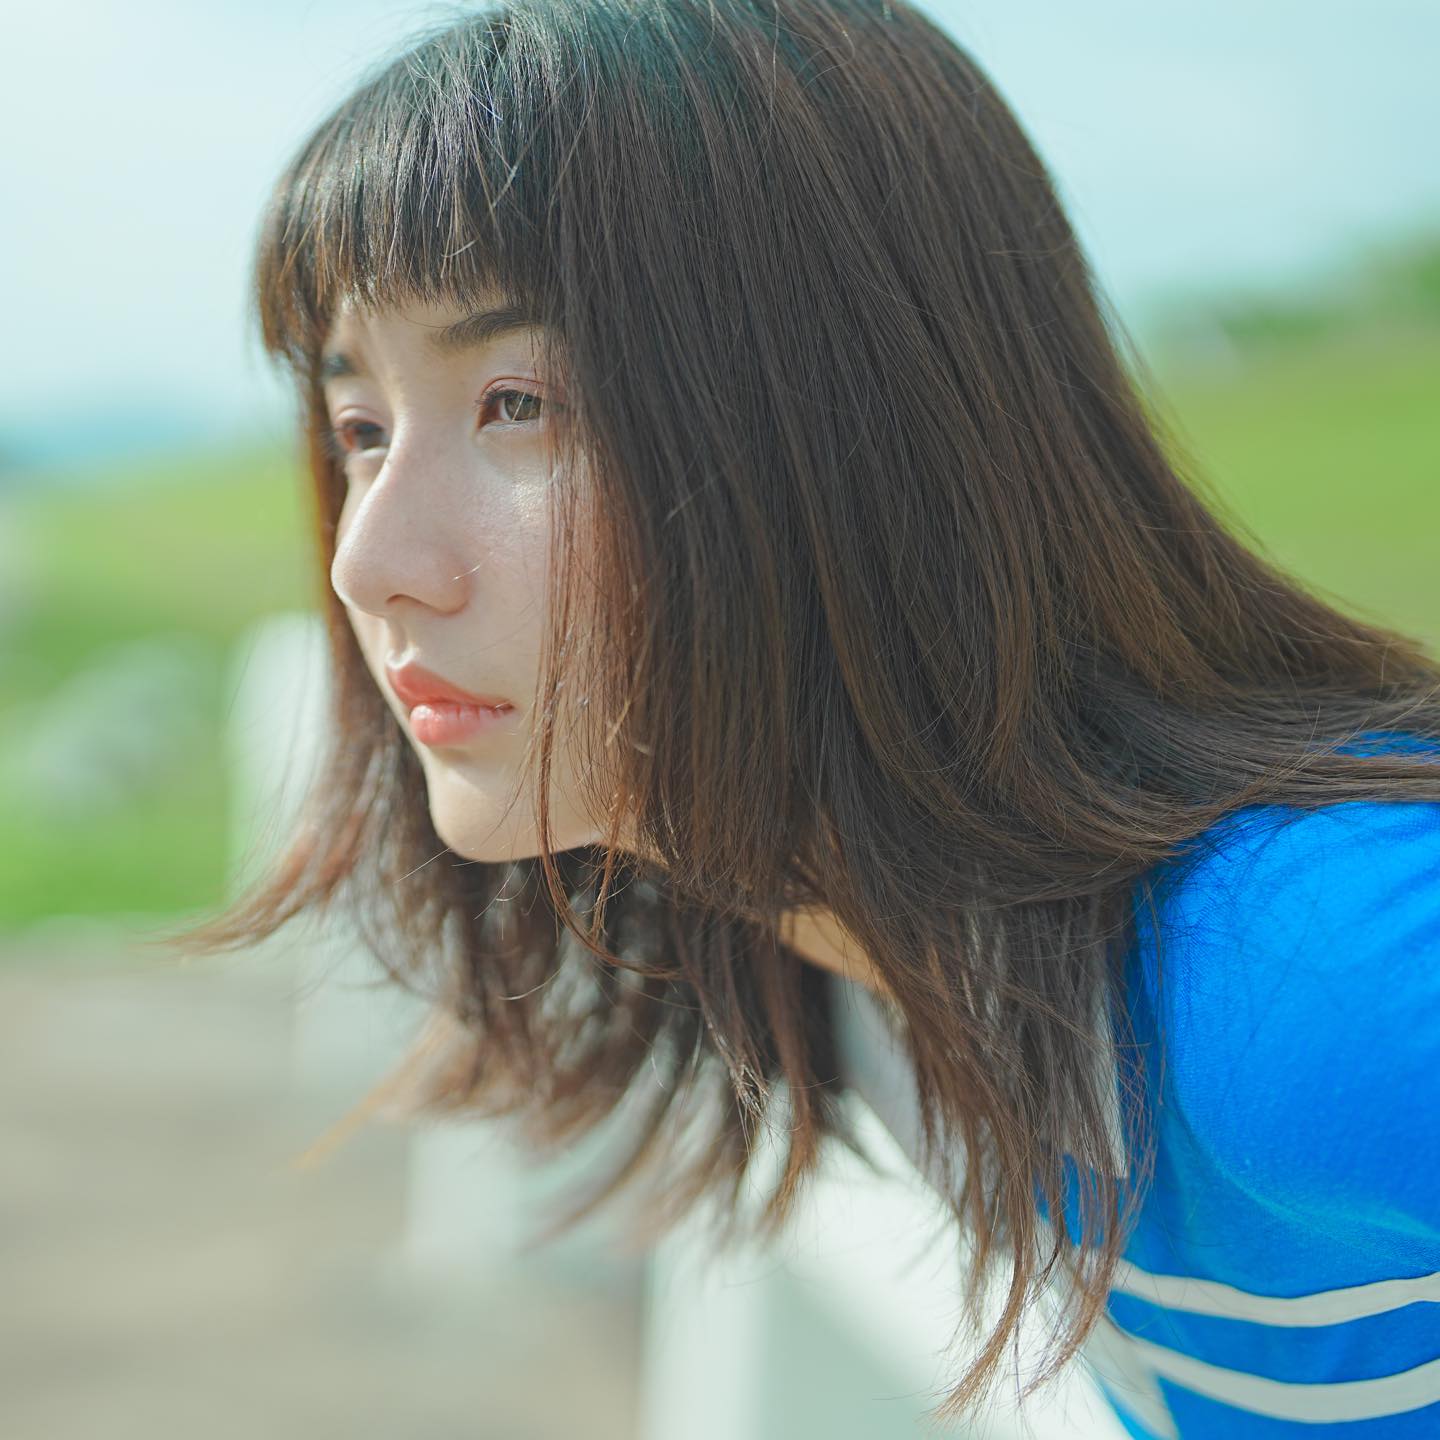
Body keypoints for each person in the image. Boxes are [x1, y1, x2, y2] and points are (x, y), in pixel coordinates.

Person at [158, 0, 1440, 1434]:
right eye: (362, 430)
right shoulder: (815, 945)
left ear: (857, 430)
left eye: (520, 401)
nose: (370, 563)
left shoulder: (1308, 974)